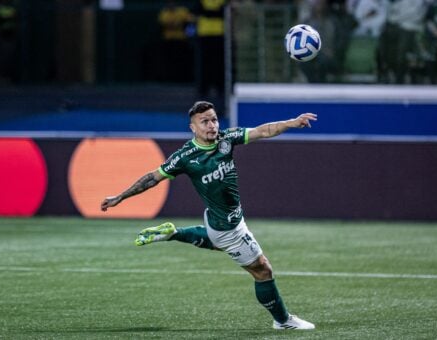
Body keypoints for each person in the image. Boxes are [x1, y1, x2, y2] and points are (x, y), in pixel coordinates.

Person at [101, 101, 317, 330]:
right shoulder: (185, 157)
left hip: (217, 219)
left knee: (220, 243)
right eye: (204, 122)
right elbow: (152, 177)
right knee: (262, 270)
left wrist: (292, 122)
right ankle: (283, 321)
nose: (212, 125)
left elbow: (263, 130)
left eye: (214, 119)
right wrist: (120, 197)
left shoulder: (227, 138)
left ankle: (174, 233)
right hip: (228, 227)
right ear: (193, 128)